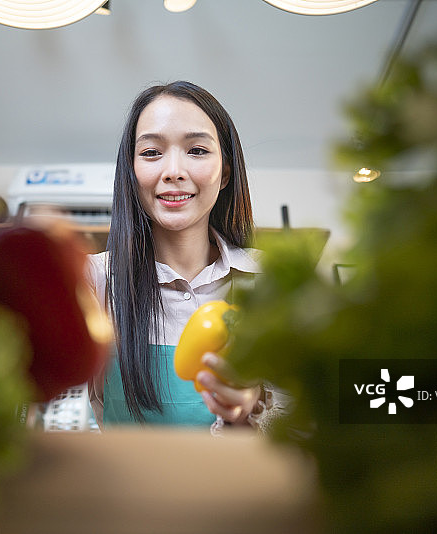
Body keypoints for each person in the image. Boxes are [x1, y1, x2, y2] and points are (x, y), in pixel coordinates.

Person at [87, 80, 287, 432]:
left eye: (196, 150)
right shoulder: (95, 281)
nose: (173, 171)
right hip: (124, 488)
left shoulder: (270, 279)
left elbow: (308, 426)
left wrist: (251, 413)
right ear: (131, 173)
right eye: (151, 152)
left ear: (225, 172)